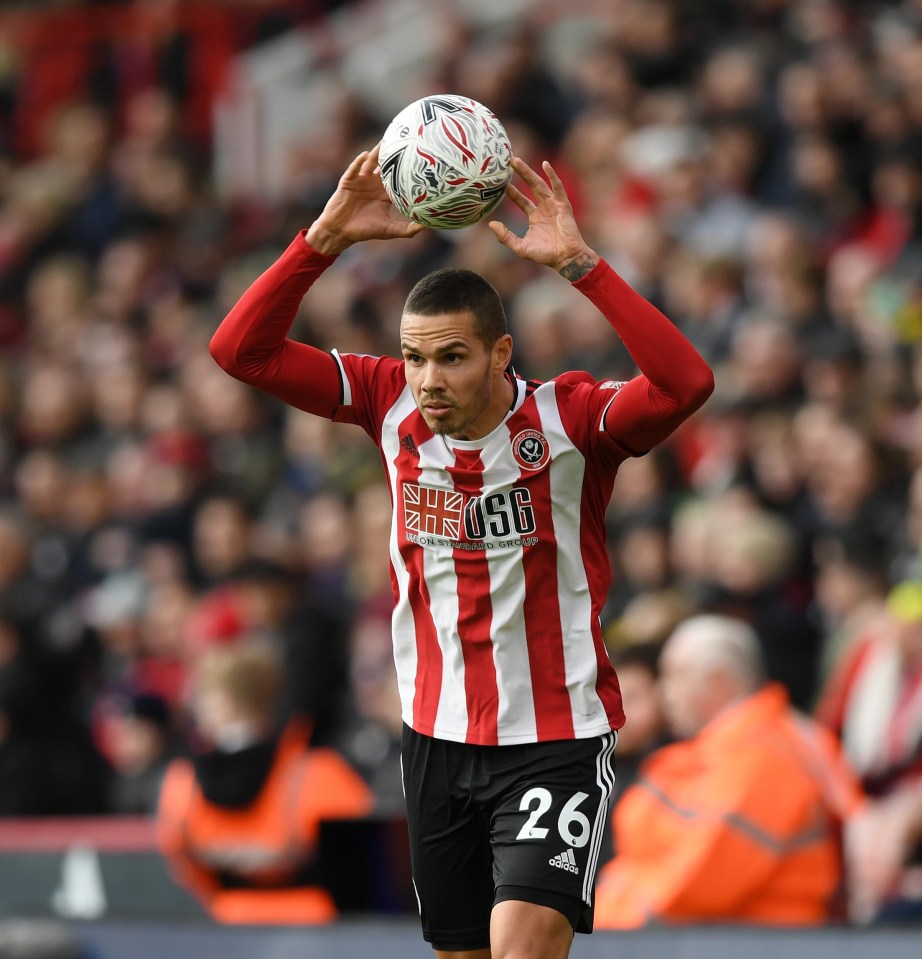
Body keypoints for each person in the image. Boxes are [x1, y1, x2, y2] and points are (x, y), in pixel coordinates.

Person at [209, 145, 714, 957]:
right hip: (436, 736)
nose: (427, 379)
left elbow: (686, 383)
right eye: (414, 357)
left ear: (500, 355)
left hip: (555, 739)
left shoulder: (573, 421)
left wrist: (582, 265)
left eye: (450, 356)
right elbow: (240, 351)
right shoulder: (385, 403)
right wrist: (325, 237)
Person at [594, 614, 864, 929]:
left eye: (675, 675)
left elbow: (693, 889)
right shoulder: (725, 752)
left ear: (717, 682)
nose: (665, 693)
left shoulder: (762, 761)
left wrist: (589, 919)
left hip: (760, 943)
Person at [156, 641, 374, 924]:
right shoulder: (320, 773)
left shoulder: (183, 782)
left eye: (204, 695)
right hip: (315, 924)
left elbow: (182, 859)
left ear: (228, 699)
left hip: (229, 923)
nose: (197, 707)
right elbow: (361, 859)